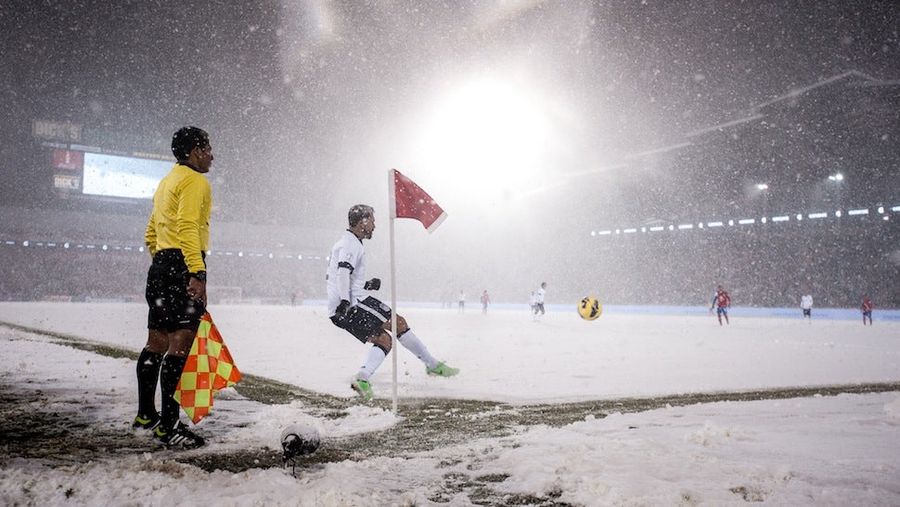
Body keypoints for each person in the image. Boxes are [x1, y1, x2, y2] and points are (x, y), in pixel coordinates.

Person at [133, 126, 214, 449]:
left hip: (161, 266)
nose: (211, 155)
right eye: (207, 148)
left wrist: (162, 261)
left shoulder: (167, 181)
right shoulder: (195, 181)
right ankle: (169, 426)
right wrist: (196, 271)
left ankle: (145, 415)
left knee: (155, 343)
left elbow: (151, 232)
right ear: (195, 150)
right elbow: (187, 226)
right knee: (179, 346)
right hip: (183, 265)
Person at [327, 204, 459, 401]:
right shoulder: (350, 244)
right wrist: (346, 301)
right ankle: (432, 365)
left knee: (385, 341)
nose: (374, 225)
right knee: (399, 324)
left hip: (342, 308)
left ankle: (362, 379)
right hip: (353, 304)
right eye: (371, 220)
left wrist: (367, 284)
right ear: (362, 221)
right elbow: (343, 272)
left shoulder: (346, 243)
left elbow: (342, 274)